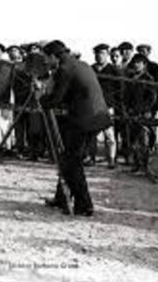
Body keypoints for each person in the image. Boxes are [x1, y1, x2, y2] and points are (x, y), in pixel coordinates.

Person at [41, 40, 111, 217]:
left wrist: (41, 98)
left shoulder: (65, 69)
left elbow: (55, 100)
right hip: (94, 117)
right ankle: (62, 198)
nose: (45, 63)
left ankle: (85, 206)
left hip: (86, 119)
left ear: (54, 56)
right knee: (67, 158)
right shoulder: (79, 64)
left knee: (72, 162)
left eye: (46, 58)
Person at [124, 54, 157, 173]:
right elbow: (126, 96)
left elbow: (152, 97)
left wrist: (146, 110)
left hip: (143, 112)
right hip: (132, 112)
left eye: (139, 63)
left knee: (143, 140)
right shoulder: (131, 78)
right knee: (133, 140)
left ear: (144, 65)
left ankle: (145, 165)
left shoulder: (148, 79)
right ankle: (136, 163)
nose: (136, 65)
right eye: (135, 62)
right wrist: (127, 108)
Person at [87, 43, 118, 169]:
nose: (99, 56)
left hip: (107, 106)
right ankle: (91, 158)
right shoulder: (91, 69)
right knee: (91, 134)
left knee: (109, 134)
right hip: (92, 105)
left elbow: (119, 88)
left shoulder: (113, 71)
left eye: (102, 54)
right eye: (97, 54)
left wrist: (113, 102)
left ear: (107, 55)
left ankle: (111, 159)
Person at [135, 44, 158, 150]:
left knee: (150, 124)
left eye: (144, 51)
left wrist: (155, 101)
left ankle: (151, 144)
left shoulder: (155, 68)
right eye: (140, 51)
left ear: (148, 52)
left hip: (151, 101)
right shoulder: (135, 66)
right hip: (138, 102)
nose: (142, 53)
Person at [109, 46, 129, 163]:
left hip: (124, 103)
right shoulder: (110, 70)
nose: (114, 59)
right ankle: (114, 156)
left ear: (121, 57)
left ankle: (127, 155)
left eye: (116, 56)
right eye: (112, 56)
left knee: (125, 130)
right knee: (113, 130)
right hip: (113, 102)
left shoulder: (127, 71)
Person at [8, 45, 28, 157]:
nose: (11, 53)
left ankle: (27, 148)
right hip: (15, 97)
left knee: (29, 126)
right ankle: (19, 147)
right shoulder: (9, 65)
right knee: (18, 125)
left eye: (14, 50)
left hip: (25, 97)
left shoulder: (24, 66)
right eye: (9, 51)